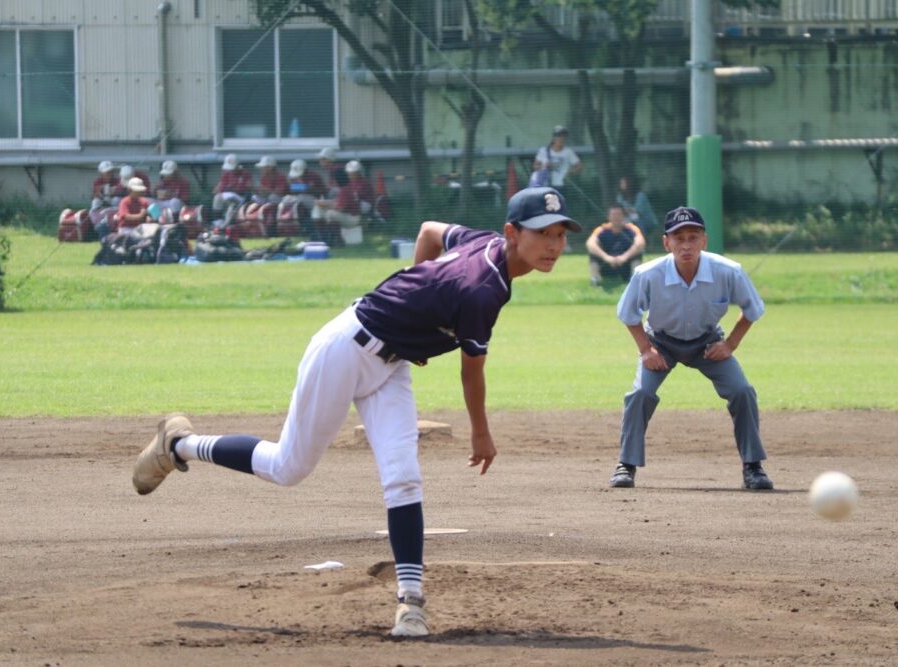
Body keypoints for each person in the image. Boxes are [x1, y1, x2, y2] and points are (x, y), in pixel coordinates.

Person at [131, 187, 582, 638]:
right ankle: (180, 445)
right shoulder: (481, 290)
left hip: (392, 364)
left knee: (403, 475)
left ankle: (411, 604)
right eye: (543, 233)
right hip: (345, 350)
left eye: (561, 234)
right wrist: (480, 434)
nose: (553, 246)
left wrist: (417, 292)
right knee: (287, 467)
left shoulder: (482, 243)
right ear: (512, 233)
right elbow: (472, 373)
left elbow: (428, 231)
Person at [608, 206, 773, 492]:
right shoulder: (648, 274)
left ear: (704, 241)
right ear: (666, 242)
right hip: (661, 341)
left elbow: (753, 309)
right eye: (679, 237)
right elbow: (628, 314)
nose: (686, 244)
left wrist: (730, 344)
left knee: (742, 391)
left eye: (693, 237)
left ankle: (753, 466)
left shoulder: (728, 271)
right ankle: (626, 464)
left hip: (707, 342)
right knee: (640, 393)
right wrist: (646, 350)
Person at [586, 203, 646, 286]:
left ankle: (634, 280)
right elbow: (590, 244)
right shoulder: (602, 229)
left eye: (619, 215)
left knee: (637, 253)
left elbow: (640, 243)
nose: (616, 217)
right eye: (613, 215)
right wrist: (607, 258)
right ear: (609, 217)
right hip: (607, 265)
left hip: (625, 265)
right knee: (593, 253)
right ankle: (595, 280)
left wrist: (624, 257)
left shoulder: (632, 229)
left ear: (623, 216)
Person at [280, 159, 327, 237]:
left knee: (301, 198)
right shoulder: (293, 178)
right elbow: (290, 191)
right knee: (286, 200)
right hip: (299, 200)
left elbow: (323, 191)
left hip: (314, 201)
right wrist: (295, 186)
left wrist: (307, 188)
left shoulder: (314, 176)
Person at [532, 125, 582, 193]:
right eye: (558, 136)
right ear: (554, 137)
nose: (561, 139)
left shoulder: (568, 152)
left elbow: (579, 166)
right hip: (545, 186)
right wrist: (544, 166)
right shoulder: (543, 151)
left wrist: (570, 173)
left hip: (561, 186)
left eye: (564, 136)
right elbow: (535, 166)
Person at [212, 154, 252, 220]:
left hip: (241, 198)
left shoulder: (245, 174)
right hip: (228, 196)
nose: (230, 170)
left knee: (232, 202)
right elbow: (220, 188)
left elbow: (246, 188)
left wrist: (231, 189)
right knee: (217, 198)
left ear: (237, 166)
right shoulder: (226, 174)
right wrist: (218, 189)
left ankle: (228, 221)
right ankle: (218, 220)